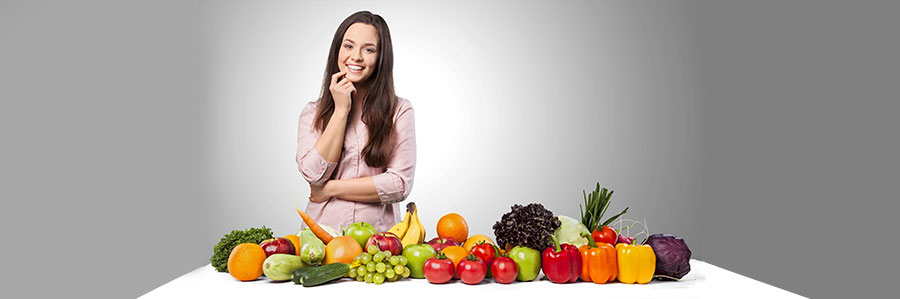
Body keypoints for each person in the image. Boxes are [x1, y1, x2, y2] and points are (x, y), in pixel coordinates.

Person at [296, 11, 415, 233]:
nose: (356, 57)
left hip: (379, 243)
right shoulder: (312, 113)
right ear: (337, 50)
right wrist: (341, 111)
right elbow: (313, 174)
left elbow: (399, 185)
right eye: (349, 46)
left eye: (368, 49)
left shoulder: (399, 111)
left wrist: (330, 189)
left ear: (381, 57)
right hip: (320, 239)